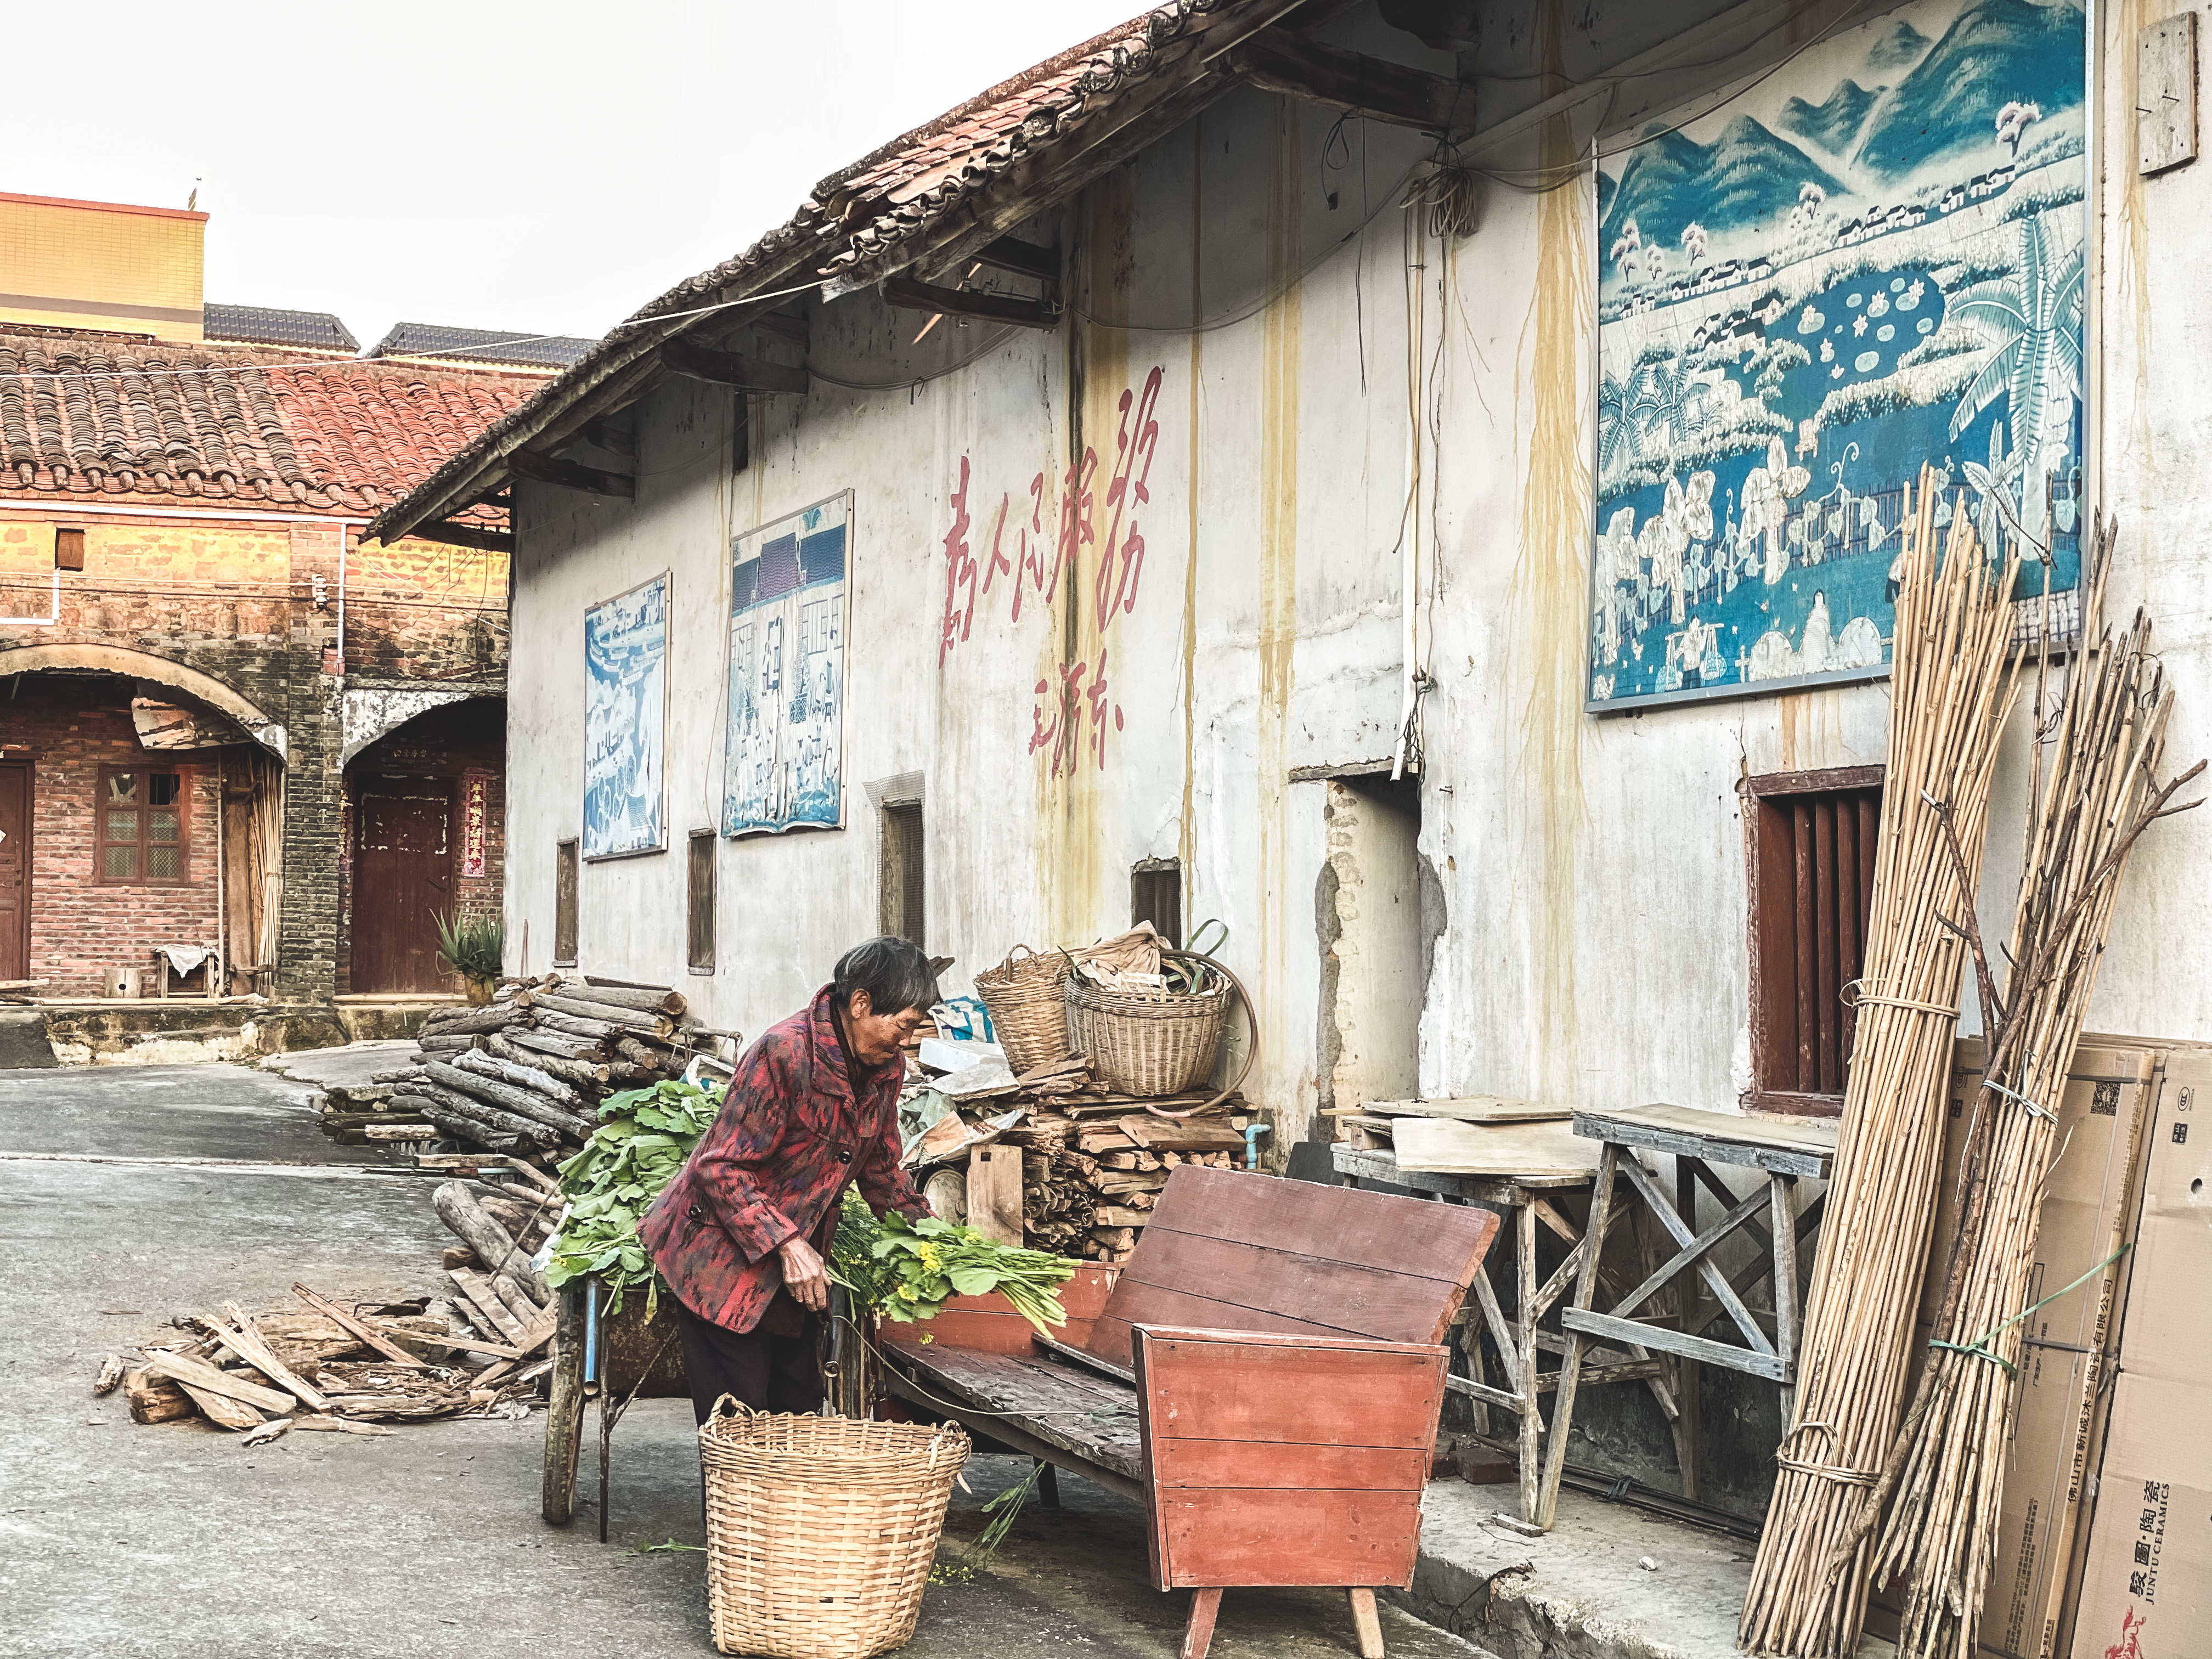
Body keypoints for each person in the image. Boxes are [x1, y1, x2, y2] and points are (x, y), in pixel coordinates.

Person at [642, 936, 935, 1422]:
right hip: (721, 1257)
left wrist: (933, 1239)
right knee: (739, 1423)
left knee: (797, 1411)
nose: (906, 1039)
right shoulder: (784, 1052)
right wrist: (788, 1244)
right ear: (861, 1004)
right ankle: (738, 1500)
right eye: (903, 1024)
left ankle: (784, 1502)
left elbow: (881, 1168)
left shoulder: (885, 1068)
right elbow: (720, 1166)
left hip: (795, 1269)